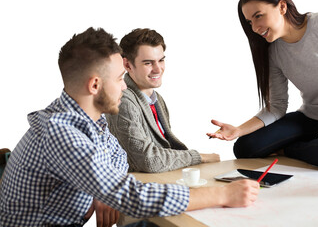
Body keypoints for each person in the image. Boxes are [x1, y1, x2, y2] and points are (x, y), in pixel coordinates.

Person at [0, 27, 259, 227]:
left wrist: (101, 187)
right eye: (119, 78)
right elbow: (132, 196)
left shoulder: (88, 118)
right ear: (94, 85)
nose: (124, 87)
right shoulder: (61, 131)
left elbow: (119, 158)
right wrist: (223, 195)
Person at [207, 0, 318, 169]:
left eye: (258, 16)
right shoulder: (273, 51)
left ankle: (288, 150)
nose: (255, 28)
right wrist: (238, 130)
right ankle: (314, 147)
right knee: (245, 147)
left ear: (281, 7)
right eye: (249, 22)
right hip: (310, 117)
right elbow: (277, 106)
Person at [106, 28, 220, 173]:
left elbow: (164, 151)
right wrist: (199, 157)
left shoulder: (156, 99)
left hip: (163, 178)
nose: (158, 69)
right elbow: (149, 161)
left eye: (161, 60)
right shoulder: (123, 101)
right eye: (148, 63)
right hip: (139, 186)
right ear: (127, 65)